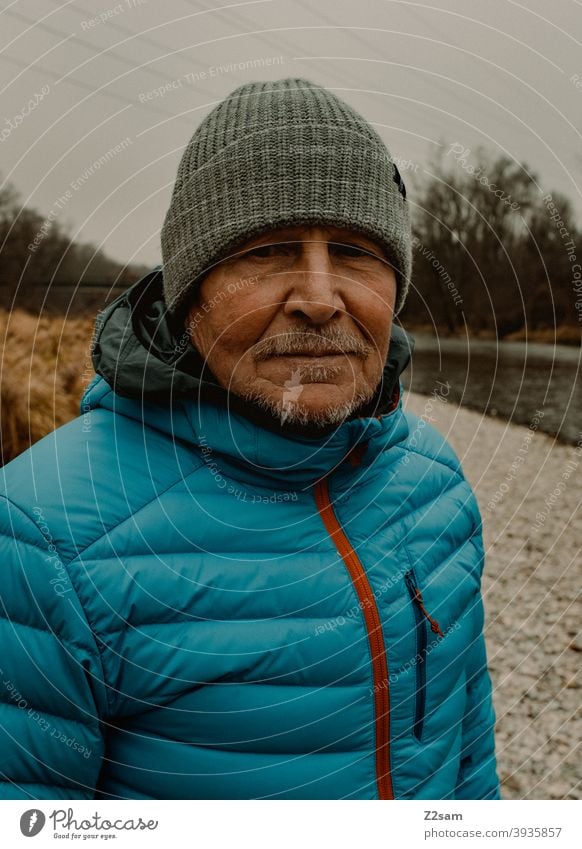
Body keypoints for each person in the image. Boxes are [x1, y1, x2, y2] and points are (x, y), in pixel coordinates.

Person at [0, 78, 500, 800]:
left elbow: (470, 755)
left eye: (357, 252)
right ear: (191, 291)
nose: (321, 298)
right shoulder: (39, 535)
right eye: (268, 251)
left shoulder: (436, 485)